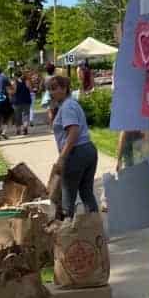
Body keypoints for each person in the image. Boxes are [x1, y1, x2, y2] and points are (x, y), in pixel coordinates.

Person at [48, 75, 99, 217]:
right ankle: (94, 228)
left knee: (68, 196)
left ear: (64, 89)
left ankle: (67, 233)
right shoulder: (72, 104)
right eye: (50, 90)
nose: (52, 93)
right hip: (88, 149)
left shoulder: (67, 107)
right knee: (86, 192)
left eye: (54, 89)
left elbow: (73, 132)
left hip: (76, 153)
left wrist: (62, 158)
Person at [12, 70, 32, 136]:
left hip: (17, 101)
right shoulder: (27, 81)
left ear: (15, 76)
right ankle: (25, 128)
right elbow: (30, 89)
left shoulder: (15, 82)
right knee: (26, 115)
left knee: (18, 116)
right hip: (26, 100)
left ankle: (18, 130)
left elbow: (14, 91)